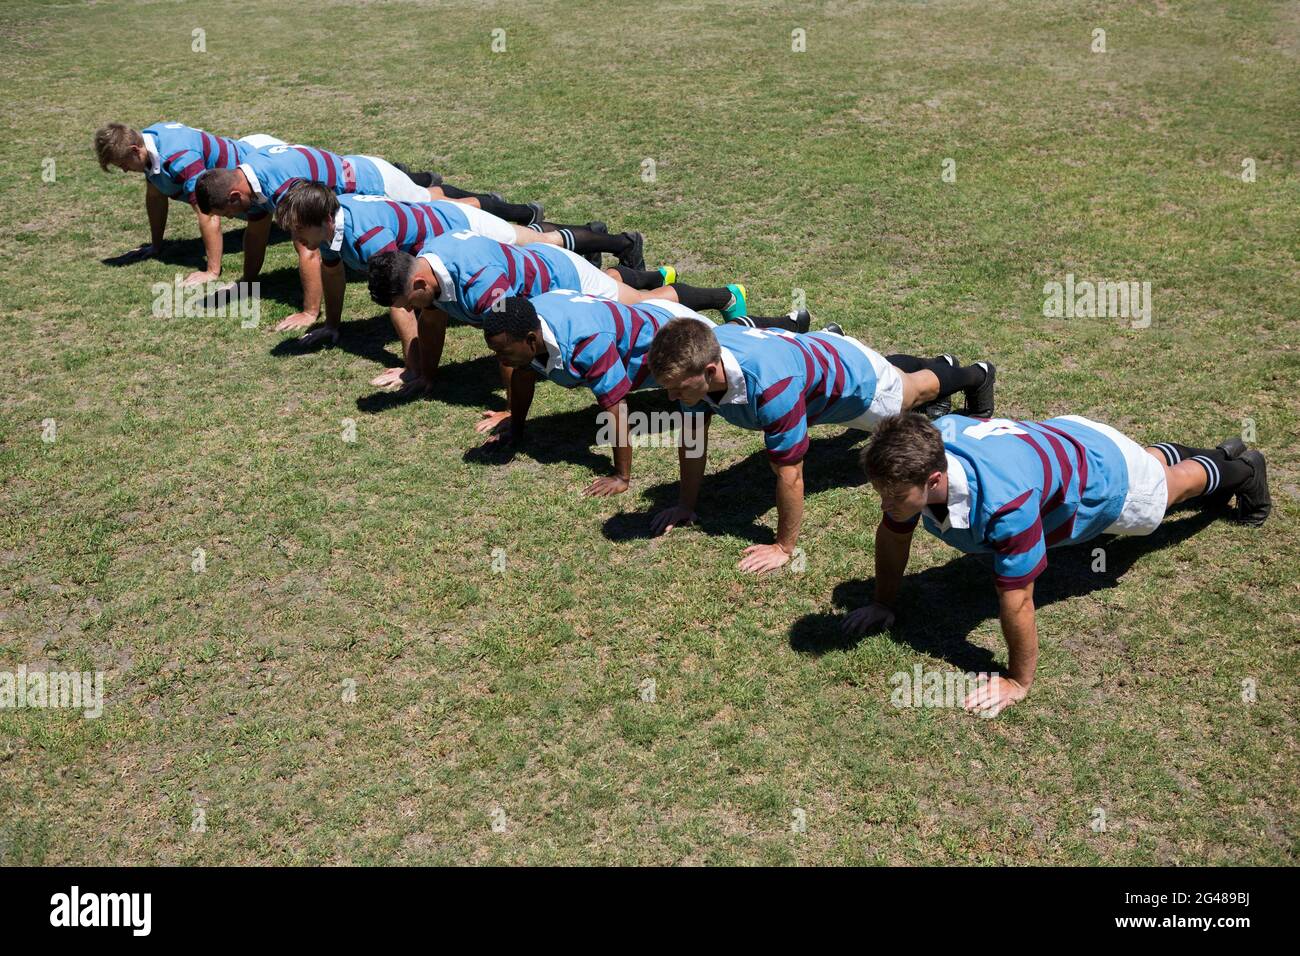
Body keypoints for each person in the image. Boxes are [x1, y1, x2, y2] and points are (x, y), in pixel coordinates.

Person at [846, 412, 1271, 716]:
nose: (885, 503)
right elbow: (893, 534)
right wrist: (884, 603)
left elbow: (1017, 601)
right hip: (1073, 437)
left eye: (894, 496)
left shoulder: (1004, 504)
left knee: (1170, 489)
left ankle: (1243, 470)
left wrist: (1017, 680)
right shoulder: (923, 449)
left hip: (1107, 480)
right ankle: (1216, 453)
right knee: (1148, 466)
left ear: (934, 480)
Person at [645, 319, 995, 573]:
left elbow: (791, 475)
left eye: (677, 387)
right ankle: (935, 364)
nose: (672, 396)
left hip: (855, 382)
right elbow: (692, 439)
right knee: (893, 374)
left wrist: (784, 547)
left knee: (913, 391)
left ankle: (975, 375)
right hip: (813, 354)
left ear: (710, 370)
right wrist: (684, 505)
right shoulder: (701, 353)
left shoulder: (771, 386)